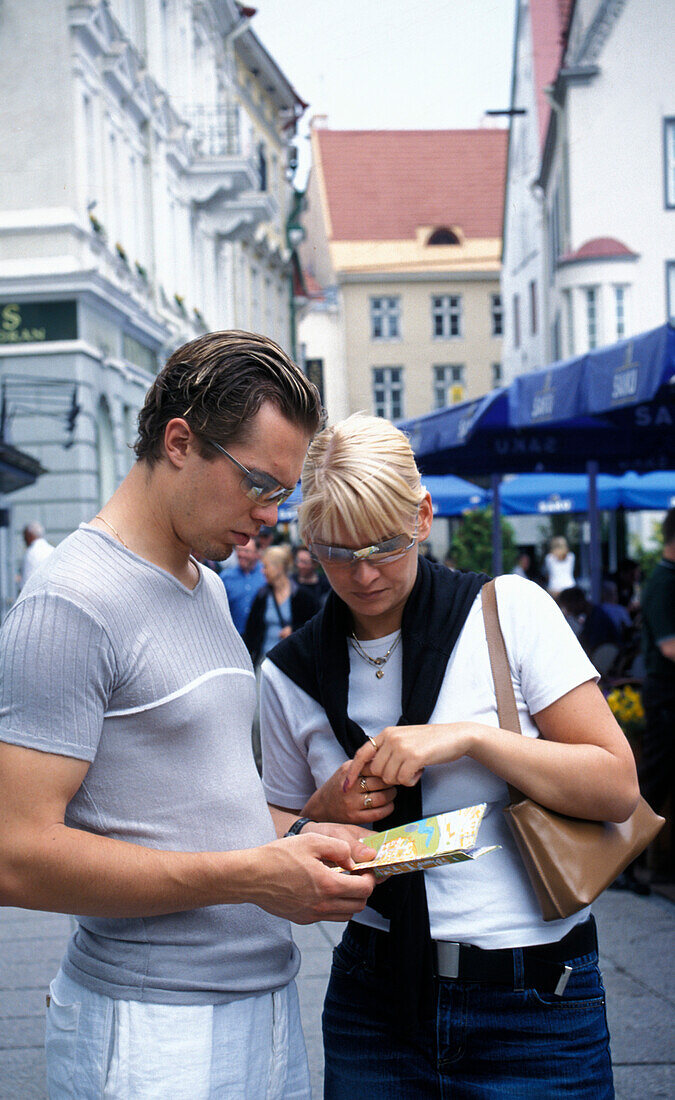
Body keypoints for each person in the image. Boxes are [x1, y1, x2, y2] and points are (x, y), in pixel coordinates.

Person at [0, 331, 375, 1100]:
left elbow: (184, 806)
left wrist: (302, 832)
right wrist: (250, 875)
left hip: (258, 1008)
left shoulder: (206, 584)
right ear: (180, 441)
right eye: (259, 484)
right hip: (152, 1032)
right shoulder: (72, 600)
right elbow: (10, 859)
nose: (268, 516)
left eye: (281, 497)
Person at [259, 413, 639, 1099]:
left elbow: (615, 787)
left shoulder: (507, 613)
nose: (364, 573)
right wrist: (320, 812)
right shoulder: (289, 673)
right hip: (373, 1003)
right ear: (306, 540)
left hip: (536, 1003)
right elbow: (271, 832)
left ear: (422, 516)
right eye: (337, 552)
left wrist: (471, 738)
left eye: (383, 545)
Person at [638, 507, 675, 880]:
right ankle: (628, 862)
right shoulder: (664, 582)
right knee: (656, 778)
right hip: (665, 693)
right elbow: (669, 647)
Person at [244, 545, 319, 667]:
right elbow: (251, 632)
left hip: (293, 664)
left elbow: (314, 628)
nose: (262, 571)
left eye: (265, 567)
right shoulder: (262, 595)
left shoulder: (302, 595)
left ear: (278, 568)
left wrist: (294, 630)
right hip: (264, 662)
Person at [220, 537, 267, 633]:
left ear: (257, 554)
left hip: (260, 638)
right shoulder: (226, 577)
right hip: (234, 636)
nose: (241, 554)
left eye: (246, 551)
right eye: (239, 550)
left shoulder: (266, 574)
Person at [20, 521, 54, 588]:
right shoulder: (52, 549)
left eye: (25, 536)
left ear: (30, 535)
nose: (24, 540)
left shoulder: (30, 553)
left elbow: (26, 582)